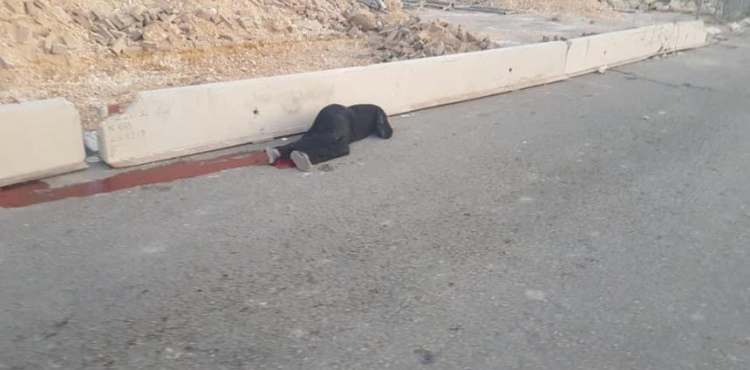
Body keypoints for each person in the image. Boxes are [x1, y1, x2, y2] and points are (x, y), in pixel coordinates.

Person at [266, 103, 394, 172]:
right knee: (339, 145)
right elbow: (385, 134)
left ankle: (278, 151)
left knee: (315, 136)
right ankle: (307, 156)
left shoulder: (369, 110)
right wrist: (389, 125)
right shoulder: (378, 111)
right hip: (342, 117)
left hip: (332, 111)